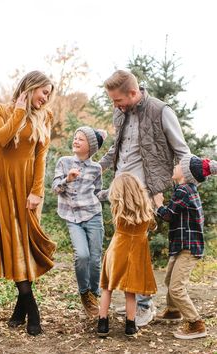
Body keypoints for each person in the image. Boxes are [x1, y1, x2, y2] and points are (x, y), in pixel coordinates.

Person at [99, 69, 190, 327]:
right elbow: (117, 148)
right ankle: (133, 303)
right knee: (123, 246)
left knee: (138, 249)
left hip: (145, 193)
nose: (115, 105)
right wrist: (99, 167)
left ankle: (143, 305)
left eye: (117, 100)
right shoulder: (121, 112)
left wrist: (190, 184)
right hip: (121, 192)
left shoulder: (161, 111)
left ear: (133, 92)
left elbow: (183, 151)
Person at [0, 71, 56, 336]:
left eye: (49, 94)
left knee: (25, 244)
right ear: (31, 87)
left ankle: (19, 308)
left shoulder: (45, 117)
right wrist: (18, 112)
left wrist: (37, 191)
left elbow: (41, 156)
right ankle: (32, 309)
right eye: (43, 92)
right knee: (13, 241)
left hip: (28, 188)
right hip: (4, 185)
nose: (46, 99)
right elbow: (2, 140)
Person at [153, 154, 217, 339]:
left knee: (176, 287)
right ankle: (173, 311)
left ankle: (196, 323)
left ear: (186, 174)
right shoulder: (186, 188)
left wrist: (158, 204)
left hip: (188, 248)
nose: (175, 166)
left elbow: (168, 215)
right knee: (168, 280)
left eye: (179, 165)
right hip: (182, 246)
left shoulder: (184, 191)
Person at [52, 126, 107, 318]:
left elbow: (98, 192)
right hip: (72, 217)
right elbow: (55, 188)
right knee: (82, 255)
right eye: (75, 137)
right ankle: (85, 294)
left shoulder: (96, 168)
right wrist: (67, 179)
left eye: (81, 139)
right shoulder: (64, 162)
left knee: (95, 259)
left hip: (93, 215)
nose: (76, 141)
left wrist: (112, 193)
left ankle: (95, 293)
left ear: (90, 146)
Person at [97, 172, 157, 337]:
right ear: (139, 190)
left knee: (107, 288)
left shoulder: (118, 209)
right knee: (130, 291)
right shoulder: (146, 211)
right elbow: (152, 226)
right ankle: (130, 326)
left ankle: (102, 324)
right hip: (136, 253)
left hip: (117, 252)